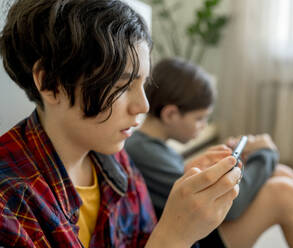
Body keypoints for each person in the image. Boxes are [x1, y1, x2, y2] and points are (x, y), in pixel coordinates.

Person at [0, 1, 243, 247]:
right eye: (121, 86)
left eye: (143, 84)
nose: (144, 106)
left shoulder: (118, 163)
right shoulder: (7, 205)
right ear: (51, 83)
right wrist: (173, 237)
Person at [125, 57, 293, 248]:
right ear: (170, 114)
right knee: (283, 193)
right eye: (199, 118)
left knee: (282, 173)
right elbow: (233, 207)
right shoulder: (142, 151)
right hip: (195, 239)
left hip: (198, 231)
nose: (204, 125)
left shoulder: (151, 147)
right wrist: (264, 153)